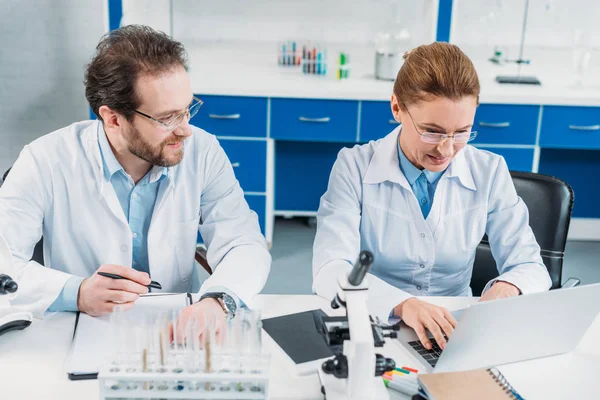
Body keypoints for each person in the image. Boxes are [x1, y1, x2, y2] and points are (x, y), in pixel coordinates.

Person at [0, 25, 271, 339]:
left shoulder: (203, 152)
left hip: (184, 326)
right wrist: (77, 292)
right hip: (82, 326)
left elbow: (245, 243)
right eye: (167, 118)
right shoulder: (44, 160)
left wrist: (219, 301)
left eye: (187, 111)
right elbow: (5, 262)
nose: (185, 131)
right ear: (113, 119)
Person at [312, 42, 551, 351]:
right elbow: (330, 270)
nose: (446, 149)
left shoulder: (489, 172)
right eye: (432, 131)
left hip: (457, 333)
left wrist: (507, 288)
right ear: (397, 108)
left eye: (462, 132)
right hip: (374, 326)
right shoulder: (354, 167)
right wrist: (402, 304)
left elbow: (531, 267)